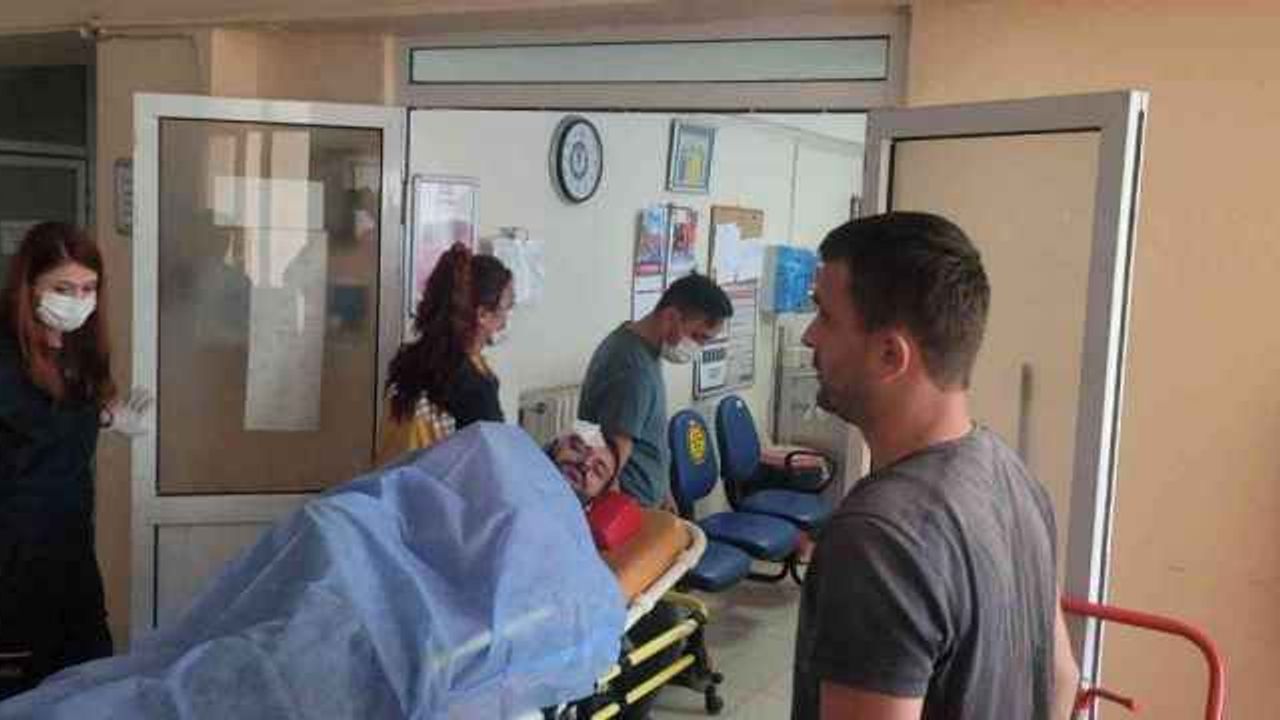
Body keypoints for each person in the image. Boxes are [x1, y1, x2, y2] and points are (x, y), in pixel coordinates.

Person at [792, 212, 1079, 720]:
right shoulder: (1011, 475)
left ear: (890, 355)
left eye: (825, 317)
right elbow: (1062, 680)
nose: (809, 337)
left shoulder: (877, 540)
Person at [0, 222, 152, 699]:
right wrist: (98, 417)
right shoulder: (6, 354)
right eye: (62, 288)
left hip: (71, 558)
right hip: (12, 568)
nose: (78, 300)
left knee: (88, 687)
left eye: (89, 288)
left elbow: (61, 423)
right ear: (29, 286)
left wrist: (105, 414)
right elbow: (31, 423)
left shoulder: (77, 351)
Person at [578, 273, 732, 509]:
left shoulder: (638, 345)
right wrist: (623, 518)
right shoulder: (633, 369)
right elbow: (610, 461)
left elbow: (648, 434)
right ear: (670, 317)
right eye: (697, 337)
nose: (697, 347)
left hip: (647, 500)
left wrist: (664, 492)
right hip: (632, 508)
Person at [376, 244, 513, 466]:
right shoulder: (475, 388)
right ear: (482, 315)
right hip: (431, 487)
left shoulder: (409, 358)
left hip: (386, 480)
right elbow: (495, 468)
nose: (506, 320)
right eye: (506, 308)